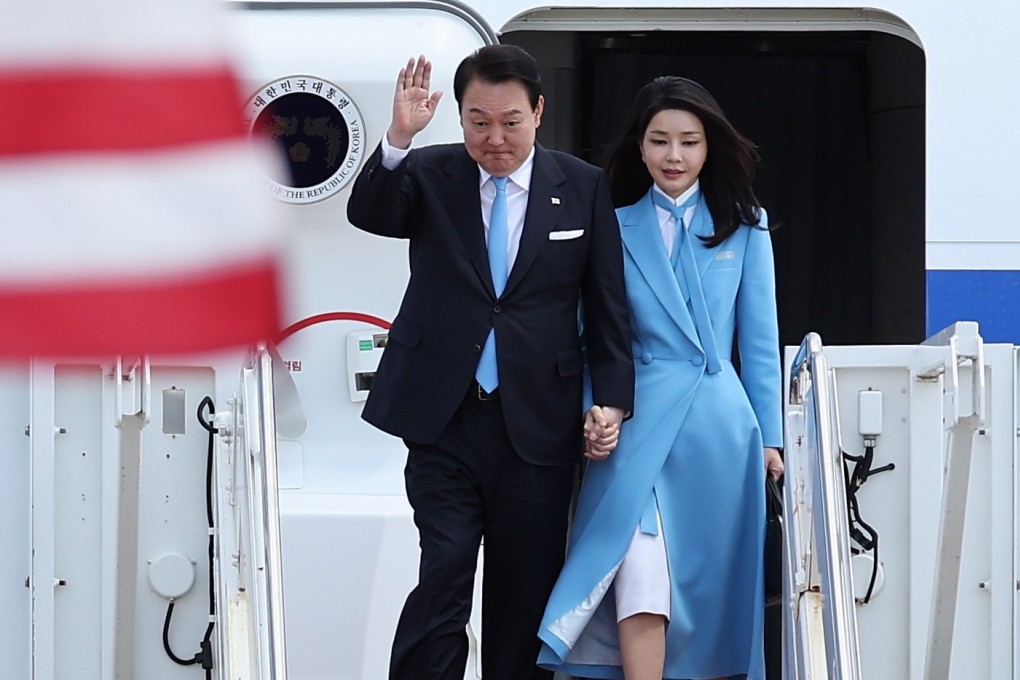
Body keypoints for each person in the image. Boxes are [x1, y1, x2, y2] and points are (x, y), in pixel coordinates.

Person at [346, 47, 635, 680]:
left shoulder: (580, 185)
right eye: (478, 122)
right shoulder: (429, 173)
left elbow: (607, 305)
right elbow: (368, 212)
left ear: (538, 111)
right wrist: (397, 136)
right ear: (459, 118)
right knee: (444, 569)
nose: (495, 138)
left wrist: (611, 400)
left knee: (523, 590)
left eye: (509, 121)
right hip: (443, 417)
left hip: (538, 422)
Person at [537, 75, 785, 680]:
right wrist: (597, 410)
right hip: (635, 419)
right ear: (640, 147)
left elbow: (758, 342)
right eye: (659, 141)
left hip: (718, 432)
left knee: (710, 593)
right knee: (638, 569)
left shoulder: (746, 225)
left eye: (689, 142)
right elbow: (595, 338)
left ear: (708, 148)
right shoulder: (611, 225)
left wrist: (772, 437)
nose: (674, 156)